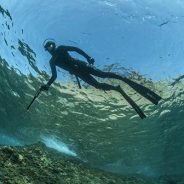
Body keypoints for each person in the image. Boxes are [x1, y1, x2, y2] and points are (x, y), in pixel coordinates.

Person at [40, 40, 161, 119]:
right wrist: (47, 85)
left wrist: (88, 57)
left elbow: (76, 49)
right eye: (48, 47)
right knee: (97, 85)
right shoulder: (52, 61)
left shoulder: (61, 48)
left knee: (102, 75)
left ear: (54, 45)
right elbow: (54, 76)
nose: (51, 48)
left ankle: (120, 78)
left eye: (51, 45)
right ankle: (116, 88)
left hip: (81, 65)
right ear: (47, 49)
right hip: (79, 73)